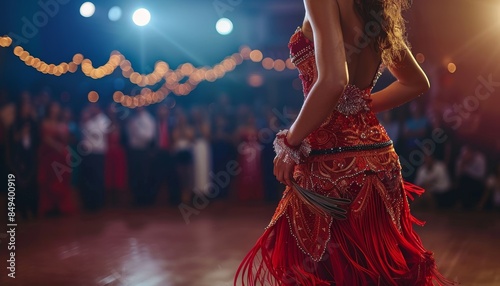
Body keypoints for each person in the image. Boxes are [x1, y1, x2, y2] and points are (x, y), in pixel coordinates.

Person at [235, 1, 454, 285]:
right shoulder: (375, 5)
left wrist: (290, 142)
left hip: (331, 163)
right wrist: (360, 104)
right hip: (380, 160)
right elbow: (415, 82)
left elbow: (334, 80)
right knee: (375, 272)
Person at [37, 101, 77, 216]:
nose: (55, 110)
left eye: (57, 107)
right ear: (48, 109)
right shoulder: (44, 123)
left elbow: (66, 139)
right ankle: (49, 207)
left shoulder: (63, 124)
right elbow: (45, 139)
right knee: (49, 181)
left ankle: (61, 207)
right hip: (49, 156)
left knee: (61, 181)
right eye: (53, 107)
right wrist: (57, 146)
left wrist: (63, 135)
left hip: (61, 157)